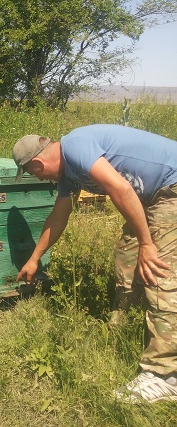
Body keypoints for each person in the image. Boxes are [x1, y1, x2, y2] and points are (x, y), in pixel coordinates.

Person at [13, 125, 177, 403]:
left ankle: (164, 375)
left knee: (158, 271)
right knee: (127, 258)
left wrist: (148, 244)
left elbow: (120, 188)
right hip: (151, 196)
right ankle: (124, 325)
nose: (39, 179)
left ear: (38, 165)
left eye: (32, 173)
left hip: (171, 186)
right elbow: (58, 217)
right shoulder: (68, 175)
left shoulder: (76, 146)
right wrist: (34, 259)